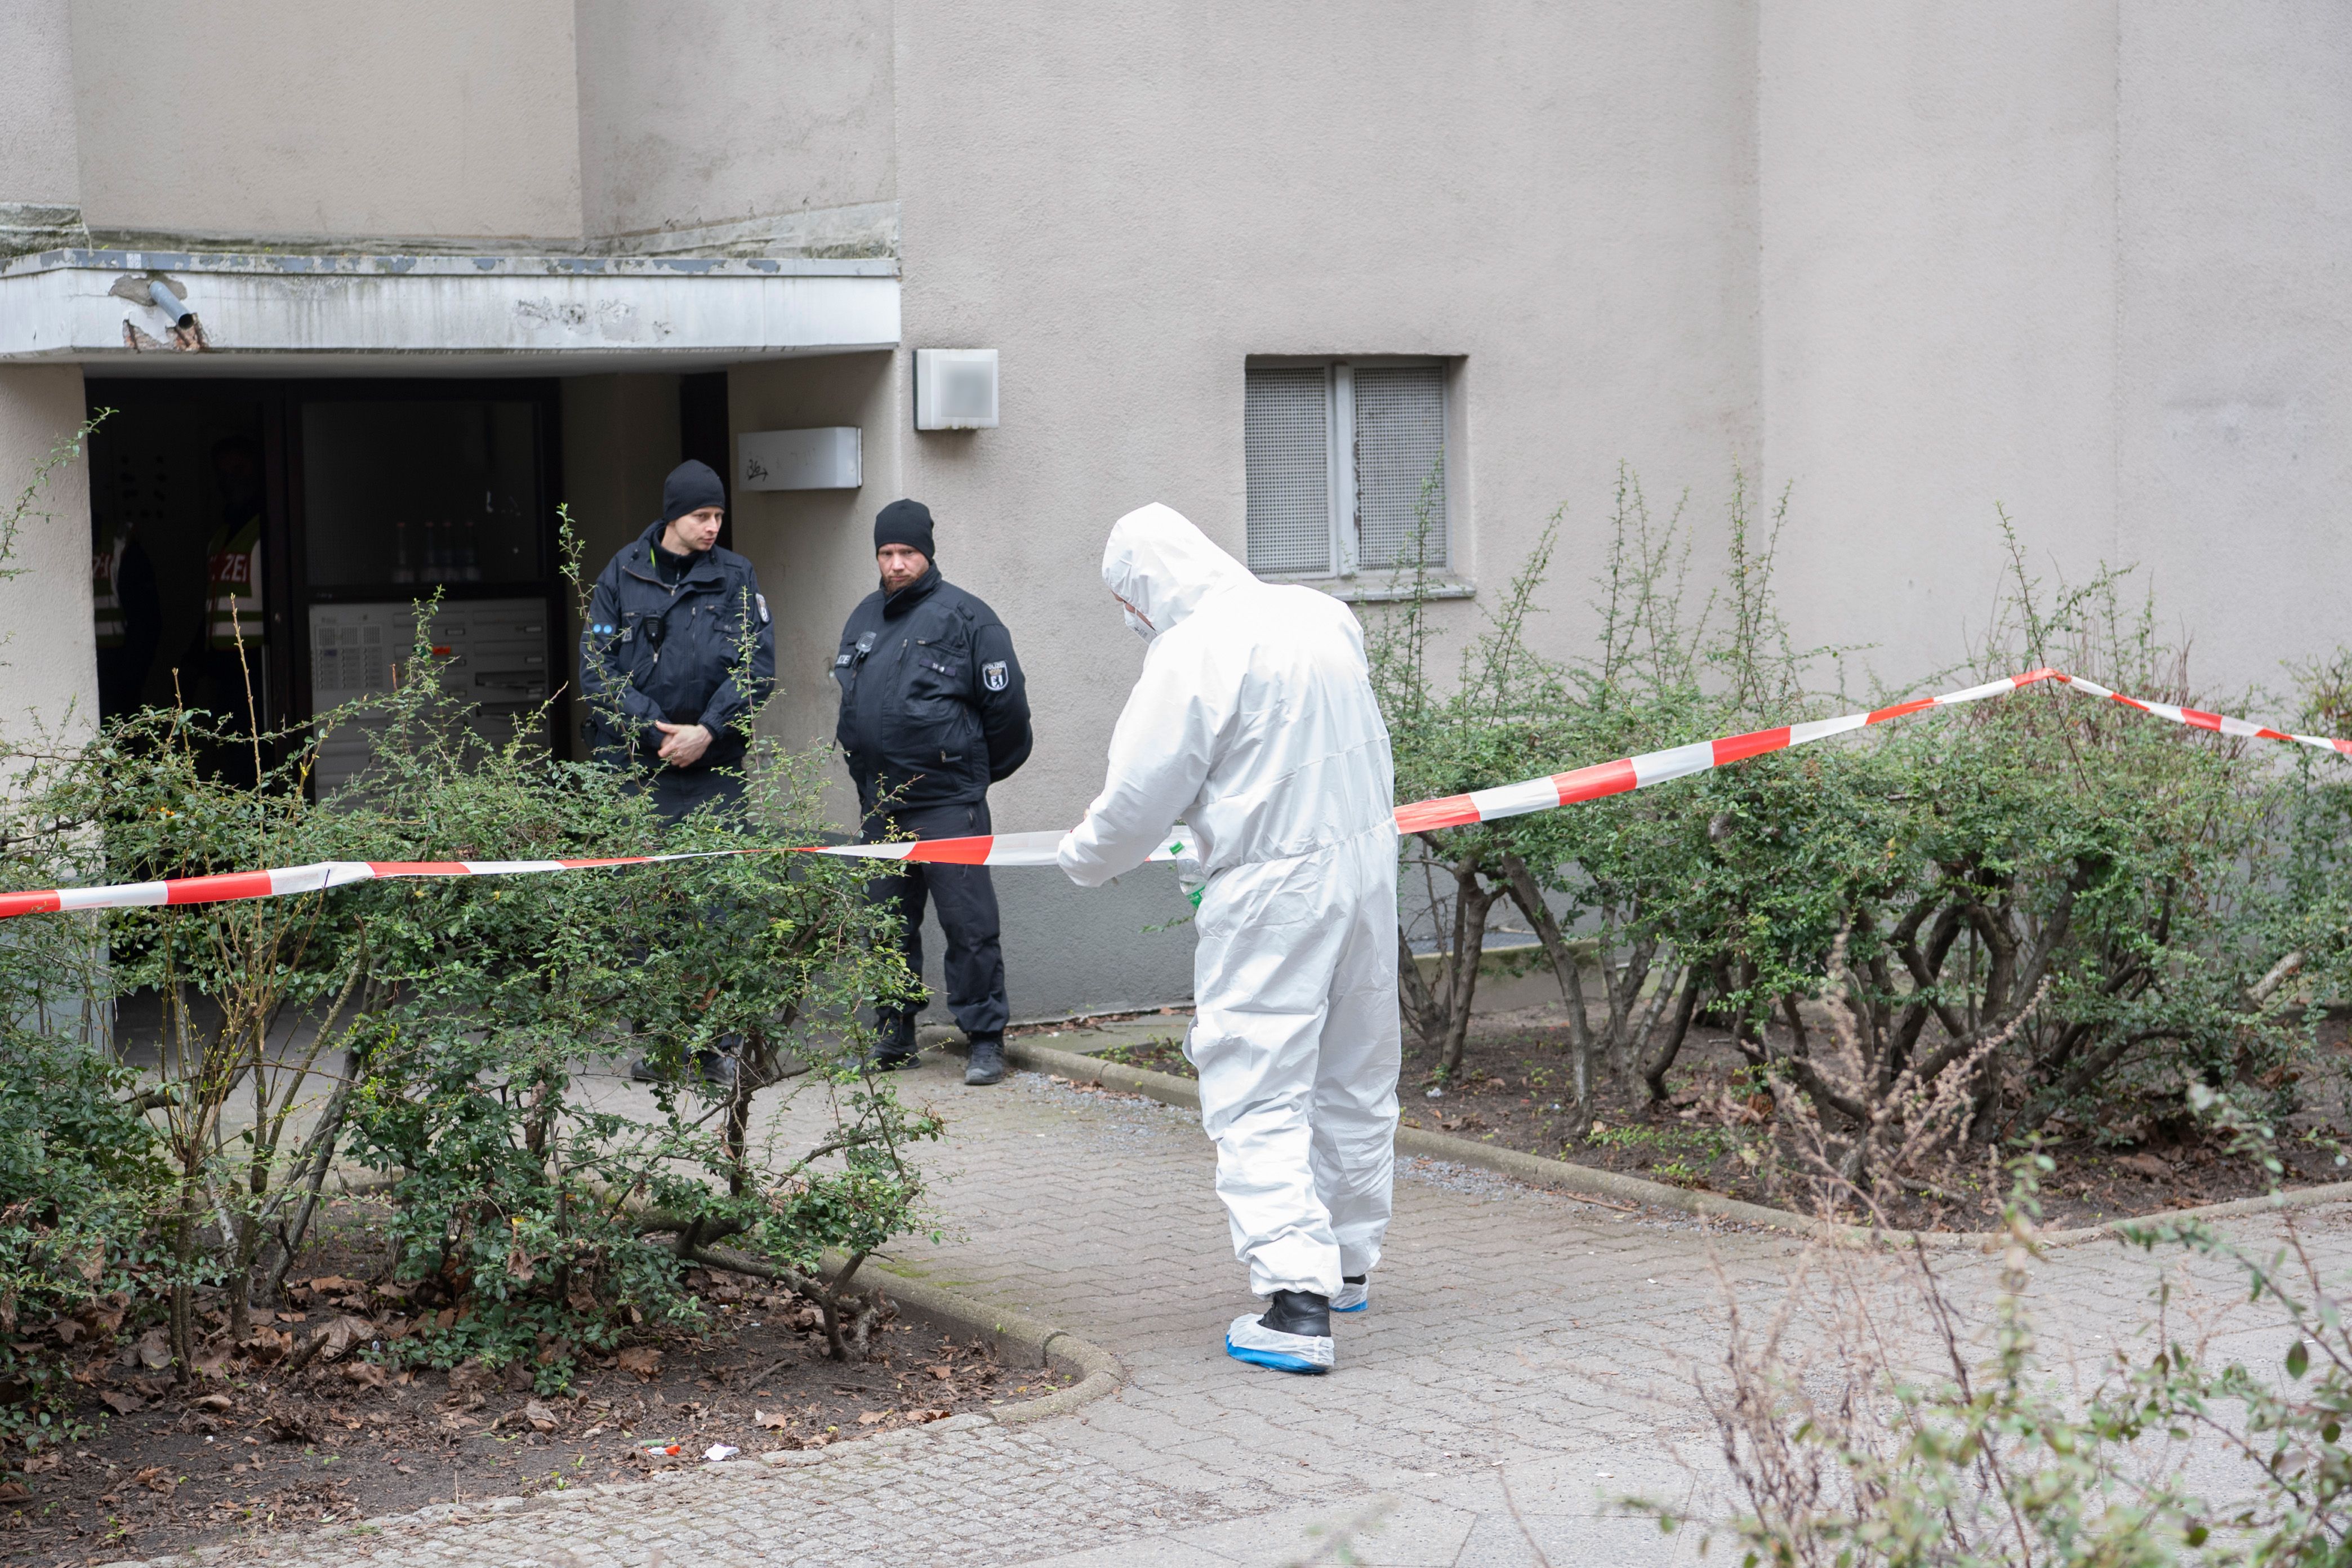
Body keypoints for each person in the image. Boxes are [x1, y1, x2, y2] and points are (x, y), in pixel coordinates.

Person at [1057, 502, 1400, 1377]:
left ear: (1142, 590)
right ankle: (1349, 1258)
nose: (1131, 622)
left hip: (1272, 886)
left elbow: (1139, 797)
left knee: (1256, 1080)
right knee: (1355, 1070)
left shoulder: (1194, 651)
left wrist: (1081, 859)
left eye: (1127, 604)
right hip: (1366, 868)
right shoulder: (1320, 612)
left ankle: (1295, 1305)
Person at [833, 498, 1032, 1085]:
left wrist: (968, 778)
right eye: (887, 554)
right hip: (881, 805)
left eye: (907, 554)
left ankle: (985, 1040)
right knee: (887, 925)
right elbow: (851, 705)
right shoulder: (865, 617)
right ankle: (894, 1035)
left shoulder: (970, 619)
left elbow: (1009, 717)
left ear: (928, 553)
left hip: (949, 803)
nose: (896, 565)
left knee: (969, 926)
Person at [580, 459, 776, 825]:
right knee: (640, 880)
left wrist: (707, 731)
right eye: (702, 516)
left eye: (718, 516)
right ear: (673, 515)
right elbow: (597, 671)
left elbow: (758, 669)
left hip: (716, 769)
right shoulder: (623, 573)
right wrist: (659, 734)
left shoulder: (737, 576)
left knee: (720, 879)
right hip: (636, 770)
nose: (713, 527)